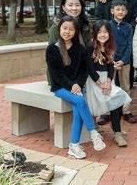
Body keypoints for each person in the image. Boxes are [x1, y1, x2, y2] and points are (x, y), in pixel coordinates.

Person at [45, 15, 106, 159]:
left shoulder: (79, 48)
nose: (67, 32)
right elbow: (56, 75)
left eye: (71, 29)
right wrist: (71, 85)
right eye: (65, 28)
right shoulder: (52, 49)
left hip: (77, 86)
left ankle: (73, 145)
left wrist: (78, 84)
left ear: (75, 32)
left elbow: (84, 69)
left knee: (78, 112)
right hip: (61, 87)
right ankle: (93, 132)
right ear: (59, 28)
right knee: (79, 101)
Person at [85, 20, 131, 147]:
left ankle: (117, 133)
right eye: (99, 32)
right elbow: (89, 68)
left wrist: (109, 82)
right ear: (94, 33)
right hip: (94, 81)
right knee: (94, 105)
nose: (103, 34)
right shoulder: (90, 47)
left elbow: (111, 67)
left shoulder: (110, 47)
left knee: (117, 99)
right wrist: (101, 84)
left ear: (110, 33)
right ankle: (94, 127)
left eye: (105, 32)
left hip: (107, 80)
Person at [108, 0, 137, 124]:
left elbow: (129, 45)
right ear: (112, 11)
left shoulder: (128, 27)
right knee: (108, 87)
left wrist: (124, 60)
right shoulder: (108, 25)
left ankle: (126, 111)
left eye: (123, 10)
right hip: (110, 62)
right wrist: (111, 60)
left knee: (126, 87)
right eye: (118, 9)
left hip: (124, 62)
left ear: (126, 12)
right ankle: (106, 112)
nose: (120, 12)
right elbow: (106, 44)